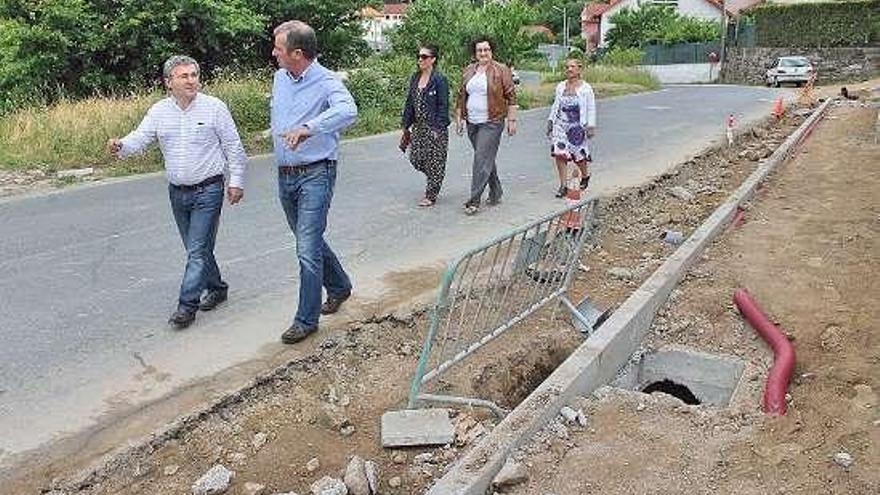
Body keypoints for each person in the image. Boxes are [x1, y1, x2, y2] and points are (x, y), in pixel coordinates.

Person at [108, 55, 247, 329]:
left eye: (194, 75)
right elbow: (140, 137)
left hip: (208, 190)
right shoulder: (160, 111)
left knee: (196, 251)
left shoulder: (214, 108)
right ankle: (217, 288)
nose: (191, 80)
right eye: (184, 76)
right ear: (168, 82)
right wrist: (120, 145)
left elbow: (233, 146)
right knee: (197, 248)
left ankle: (187, 305)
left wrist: (237, 181)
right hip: (178, 193)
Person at [270, 20, 357, 345]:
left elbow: (348, 111)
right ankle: (339, 286)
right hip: (286, 175)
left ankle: (306, 320)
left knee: (306, 247)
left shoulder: (326, 80)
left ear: (296, 53)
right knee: (309, 239)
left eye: (278, 48)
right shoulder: (280, 77)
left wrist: (310, 126)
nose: (273, 53)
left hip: (316, 173)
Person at [454, 37, 518, 216]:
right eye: (479, 50)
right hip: (472, 122)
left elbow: (511, 96)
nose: (483, 53)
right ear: (475, 53)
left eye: (486, 50)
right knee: (485, 158)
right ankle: (496, 191)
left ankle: (474, 199)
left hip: (492, 121)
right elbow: (461, 95)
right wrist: (459, 118)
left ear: (492, 51)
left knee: (481, 158)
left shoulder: (501, 70)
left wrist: (512, 120)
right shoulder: (469, 70)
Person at [400, 44, 450, 207]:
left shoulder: (439, 79)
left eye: (424, 57)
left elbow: (443, 105)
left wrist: (439, 128)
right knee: (416, 158)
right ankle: (434, 177)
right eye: (419, 56)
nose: (420, 59)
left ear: (433, 60)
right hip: (418, 127)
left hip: (434, 128)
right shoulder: (415, 77)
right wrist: (405, 125)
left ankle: (431, 194)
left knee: (435, 161)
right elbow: (410, 102)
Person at [546, 58, 596, 198]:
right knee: (559, 153)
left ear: (579, 69)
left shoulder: (586, 88)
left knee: (578, 155)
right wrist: (550, 121)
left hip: (577, 126)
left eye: (572, 67)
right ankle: (563, 185)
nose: (569, 69)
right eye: (567, 67)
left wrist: (591, 125)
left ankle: (585, 175)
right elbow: (556, 105)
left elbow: (591, 107)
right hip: (560, 125)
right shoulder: (561, 86)